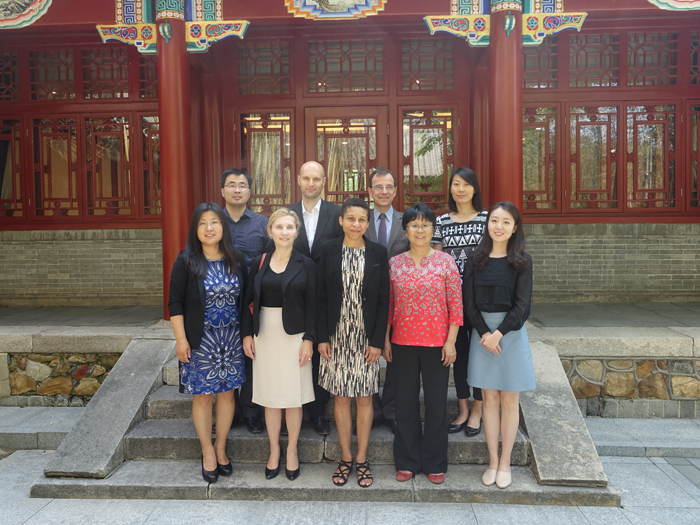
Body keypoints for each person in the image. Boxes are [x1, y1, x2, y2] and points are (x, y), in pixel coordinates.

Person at [168, 202, 247, 483]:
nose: (209, 228)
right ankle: (207, 452)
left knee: (227, 395)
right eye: (203, 223)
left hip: (231, 341)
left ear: (223, 227)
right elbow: (174, 303)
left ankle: (221, 447)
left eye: (214, 222)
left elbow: (245, 301)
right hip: (200, 342)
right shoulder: (186, 261)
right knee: (202, 397)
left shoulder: (235, 259)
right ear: (195, 229)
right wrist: (181, 339)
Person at [385, 203, 463, 485]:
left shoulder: (445, 262)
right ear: (405, 230)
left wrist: (451, 342)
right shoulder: (395, 263)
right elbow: (389, 306)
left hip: (437, 345)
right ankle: (407, 460)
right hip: (402, 343)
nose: (420, 230)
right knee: (405, 404)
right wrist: (385, 341)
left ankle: (434, 461)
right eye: (414, 225)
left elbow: (456, 306)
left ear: (433, 229)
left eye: (425, 225)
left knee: (436, 405)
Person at [317, 198, 390, 488]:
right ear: (341, 221)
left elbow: (383, 301)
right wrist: (321, 337)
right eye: (350, 219)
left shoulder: (378, 252)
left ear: (368, 223)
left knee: (365, 397)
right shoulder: (328, 249)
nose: (356, 224)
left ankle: (362, 458)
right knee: (341, 397)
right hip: (336, 336)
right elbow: (320, 296)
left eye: (361, 220)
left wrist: (377, 341)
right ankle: (345, 457)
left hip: (365, 337)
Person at [463, 201, 536, 490]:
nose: (499, 226)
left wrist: (499, 334)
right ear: (487, 224)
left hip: (511, 334)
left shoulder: (523, 262)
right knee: (489, 400)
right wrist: (485, 333)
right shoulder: (475, 259)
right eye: (494, 220)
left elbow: (523, 306)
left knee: (509, 400)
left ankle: (506, 463)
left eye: (506, 222)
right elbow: (469, 304)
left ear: (515, 227)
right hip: (482, 336)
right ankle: (492, 461)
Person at [241, 208, 316, 481]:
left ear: (296, 232)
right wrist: (246, 334)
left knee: (294, 397)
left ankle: (292, 450)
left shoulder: (306, 264)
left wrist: (309, 339)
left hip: (295, 336)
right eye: (279, 227)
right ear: (270, 231)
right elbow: (247, 301)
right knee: (270, 397)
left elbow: (313, 305)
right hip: (264, 334)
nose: (284, 232)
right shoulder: (259, 262)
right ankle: (274, 450)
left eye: (289, 227)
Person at [288, 161, 343, 435]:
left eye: (316, 179)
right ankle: (292, 409)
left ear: (324, 181)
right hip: (293, 296)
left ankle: (318, 412)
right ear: (298, 180)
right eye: (306, 178)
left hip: (326, 296)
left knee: (322, 355)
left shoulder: (337, 214)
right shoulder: (287, 213)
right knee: (294, 354)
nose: (311, 183)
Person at [432, 167, 487, 437]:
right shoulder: (442, 222)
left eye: (466, 184)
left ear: (475, 188)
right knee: (459, 355)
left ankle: (478, 409)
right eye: (456, 184)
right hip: (451, 301)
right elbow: (437, 261)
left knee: (480, 355)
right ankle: (463, 409)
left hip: (481, 300)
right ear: (450, 189)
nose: (461, 189)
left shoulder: (487, 220)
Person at [221, 168, 269, 434]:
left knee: (252, 354)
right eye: (231, 185)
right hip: (221, 300)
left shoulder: (262, 224)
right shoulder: (213, 222)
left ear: (250, 191)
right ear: (223, 191)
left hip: (253, 299)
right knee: (225, 354)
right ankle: (229, 412)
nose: (237, 189)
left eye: (242, 185)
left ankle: (251, 411)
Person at [365, 167, 409, 435]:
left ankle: (391, 410)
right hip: (366, 300)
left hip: (401, 301)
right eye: (378, 187)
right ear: (370, 191)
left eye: (388, 187)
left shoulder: (407, 221)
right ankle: (371, 409)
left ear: (395, 191)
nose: (383, 191)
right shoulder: (359, 219)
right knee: (367, 355)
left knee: (396, 358)